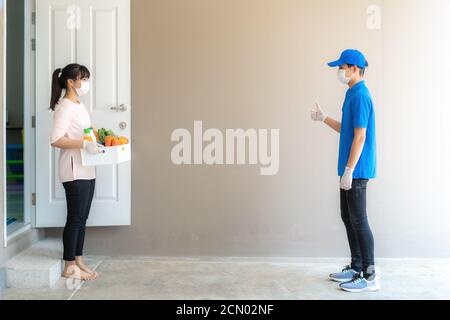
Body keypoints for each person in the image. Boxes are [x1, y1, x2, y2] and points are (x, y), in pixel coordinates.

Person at [311, 49, 380, 292]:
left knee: (359, 220)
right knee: (347, 217)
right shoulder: (351, 93)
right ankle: (356, 266)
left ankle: (370, 275)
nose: (339, 71)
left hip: (357, 169)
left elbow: (360, 137)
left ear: (353, 68)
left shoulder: (361, 95)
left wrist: (350, 169)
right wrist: (324, 118)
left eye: (342, 67)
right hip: (349, 168)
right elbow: (348, 129)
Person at [49, 63, 105, 281]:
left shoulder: (79, 105)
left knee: (83, 218)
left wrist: (94, 140)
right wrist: (83, 144)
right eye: (83, 78)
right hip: (73, 170)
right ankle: (69, 265)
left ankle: (78, 260)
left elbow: (84, 133)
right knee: (75, 218)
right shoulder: (64, 107)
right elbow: (55, 140)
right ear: (70, 82)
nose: (86, 83)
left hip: (87, 168)